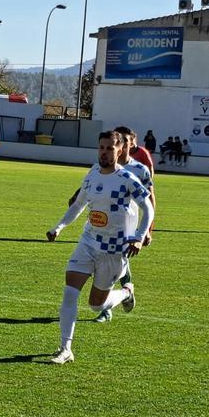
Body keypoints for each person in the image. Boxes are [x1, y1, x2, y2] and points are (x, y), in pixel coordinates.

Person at [45, 130, 153, 364]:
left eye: (109, 148)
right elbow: (78, 205)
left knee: (96, 305)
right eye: (101, 148)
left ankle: (126, 293)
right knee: (69, 291)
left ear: (120, 150)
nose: (104, 153)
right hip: (88, 242)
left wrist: (139, 236)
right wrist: (59, 227)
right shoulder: (93, 173)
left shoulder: (127, 179)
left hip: (113, 250)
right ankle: (65, 348)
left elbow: (148, 208)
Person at [67, 126, 156, 324]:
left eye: (124, 140)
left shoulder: (138, 170)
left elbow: (150, 200)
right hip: (100, 229)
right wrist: (75, 197)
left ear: (127, 144)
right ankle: (108, 306)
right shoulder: (101, 164)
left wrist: (146, 231)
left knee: (112, 267)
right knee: (95, 268)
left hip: (126, 230)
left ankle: (114, 299)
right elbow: (90, 182)